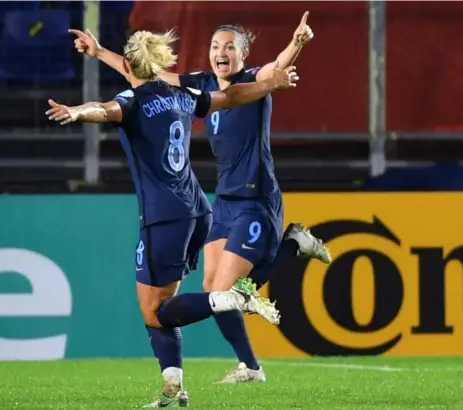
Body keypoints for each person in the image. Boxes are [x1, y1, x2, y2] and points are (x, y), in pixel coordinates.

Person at [70, 11, 331, 384]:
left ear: (243, 55)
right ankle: (251, 367)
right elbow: (147, 73)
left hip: (256, 198)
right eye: (214, 46)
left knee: (225, 291)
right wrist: (99, 53)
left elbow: (276, 67)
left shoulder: (251, 79)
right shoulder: (200, 85)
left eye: (229, 47)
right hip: (222, 199)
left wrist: (298, 43)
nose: (220, 52)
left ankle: (292, 245)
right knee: (213, 287)